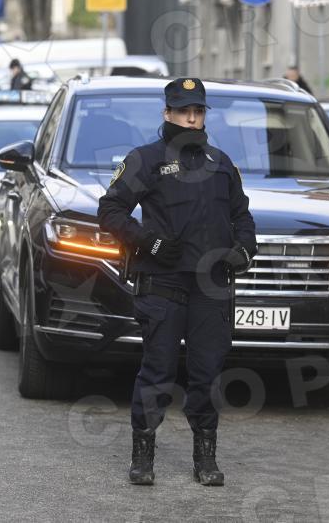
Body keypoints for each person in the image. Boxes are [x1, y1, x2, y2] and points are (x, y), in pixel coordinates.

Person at [97, 78, 257, 486]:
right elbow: (111, 210)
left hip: (211, 289)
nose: (191, 118)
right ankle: (143, 455)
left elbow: (242, 215)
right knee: (158, 371)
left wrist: (244, 250)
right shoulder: (145, 160)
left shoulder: (220, 163)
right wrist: (147, 243)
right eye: (184, 110)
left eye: (198, 111)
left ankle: (205, 458)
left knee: (206, 374)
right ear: (167, 113)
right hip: (163, 285)